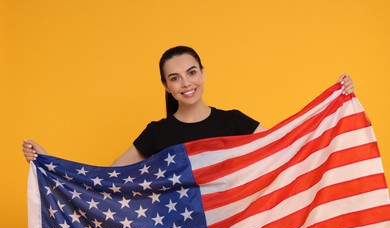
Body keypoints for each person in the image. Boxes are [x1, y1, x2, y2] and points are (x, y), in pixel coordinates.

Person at [22, 46, 355, 166]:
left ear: (204, 73)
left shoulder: (235, 122)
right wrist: (49, 162)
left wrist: (336, 102)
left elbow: (284, 146)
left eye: (192, 72)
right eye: (175, 78)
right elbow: (110, 175)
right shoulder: (158, 133)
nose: (186, 83)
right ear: (167, 86)